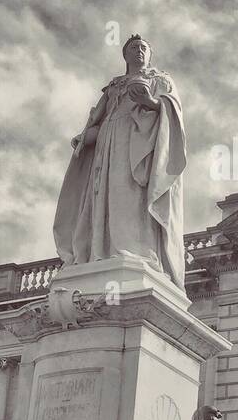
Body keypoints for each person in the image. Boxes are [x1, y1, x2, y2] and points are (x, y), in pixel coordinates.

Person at [52, 34, 187, 287]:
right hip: (108, 142)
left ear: (149, 54)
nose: (139, 51)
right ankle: (101, 251)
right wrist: (85, 138)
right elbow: (100, 119)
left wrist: (150, 102)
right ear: (125, 55)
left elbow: (172, 112)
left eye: (143, 48)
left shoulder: (160, 79)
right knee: (105, 195)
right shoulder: (113, 87)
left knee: (130, 194)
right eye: (134, 48)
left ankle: (134, 249)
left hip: (139, 142)